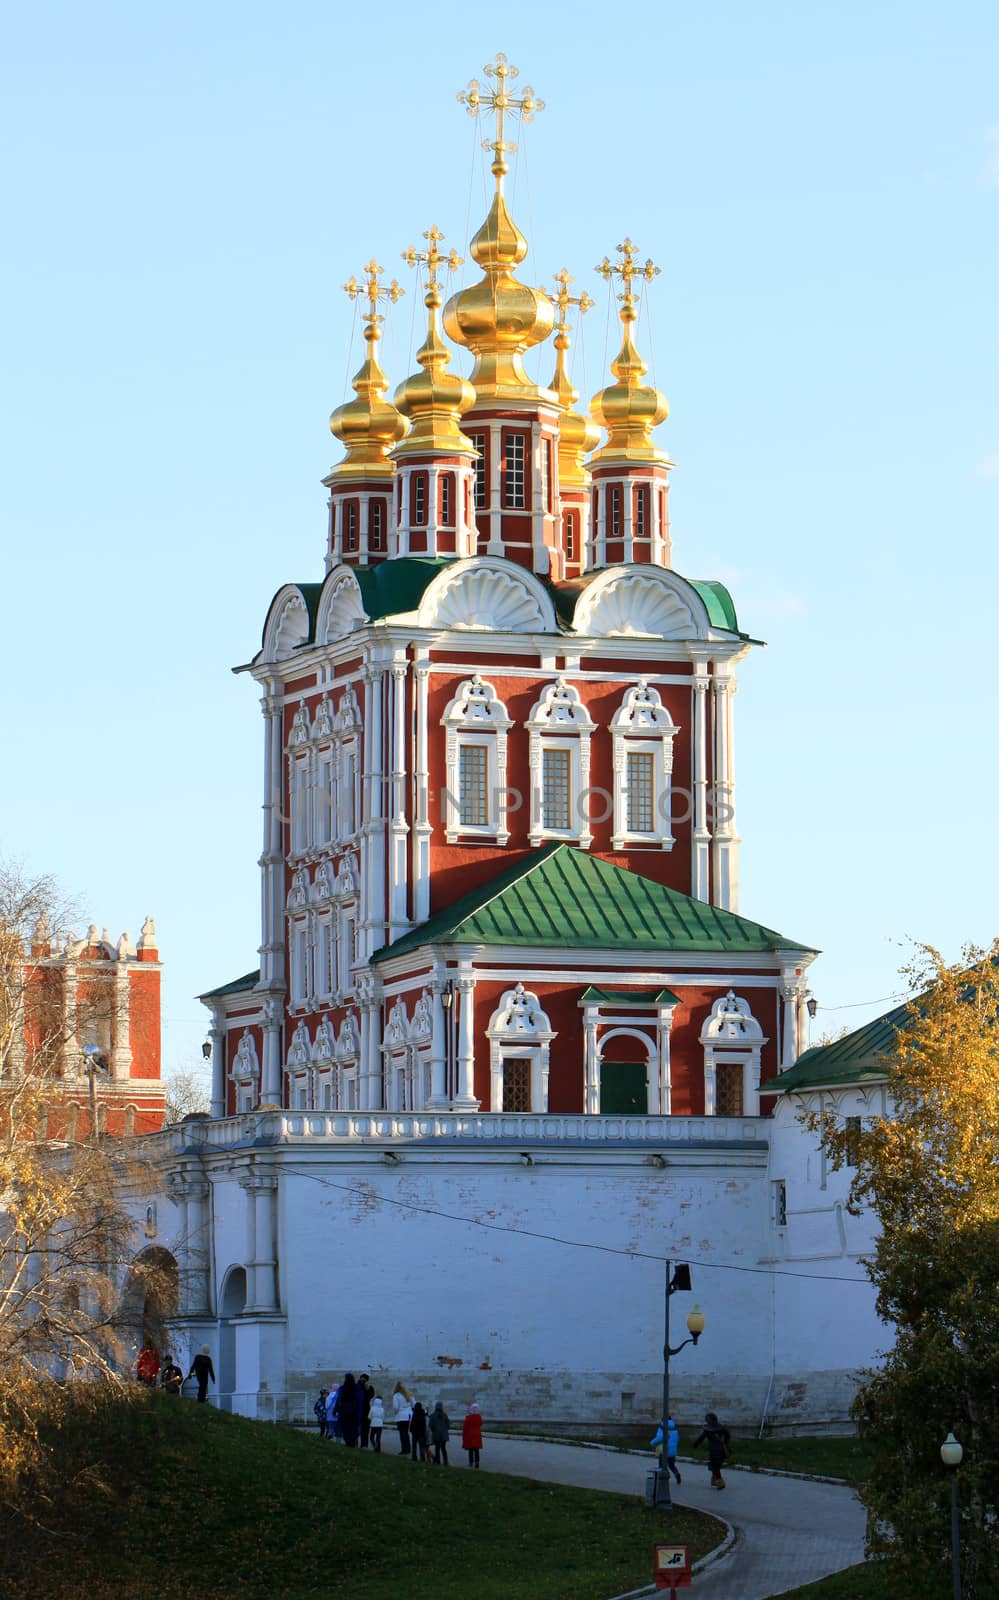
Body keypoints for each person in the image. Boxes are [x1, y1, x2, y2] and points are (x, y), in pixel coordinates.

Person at [693, 1411, 731, 1489]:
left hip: (713, 1450)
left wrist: (695, 1445)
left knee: (715, 1466)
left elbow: (701, 1438)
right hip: (721, 1449)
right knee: (715, 1465)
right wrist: (725, 1442)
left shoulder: (708, 1430)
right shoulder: (721, 1428)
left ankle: (720, 1482)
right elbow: (727, 1435)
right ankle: (714, 1480)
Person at [650, 1413, 682, 1485]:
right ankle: (676, 1474)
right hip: (672, 1451)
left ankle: (663, 1479)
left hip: (664, 1451)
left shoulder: (662, 1427)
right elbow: (678, 1439)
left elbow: (660, 1438)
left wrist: (652, 1443)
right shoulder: (674, 1429)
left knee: (661, 1466)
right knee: (671, 1465)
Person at [334, 1372, 361, 1447]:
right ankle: (352, 1443)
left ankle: (348, 1443)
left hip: (344, 1412)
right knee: (353, 1429)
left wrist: (336, 1410)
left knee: (346, 1429)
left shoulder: (342, 1388)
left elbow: (338, 1401)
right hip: (353, 1412)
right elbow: (359, 1400)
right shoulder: (356, 1388)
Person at [393, 1381, 412, 1455]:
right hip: (408, 1416)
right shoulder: (408, 1394)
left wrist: (396, 1413)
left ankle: (404, 1450)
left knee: (402, 1434)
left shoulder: (396, 1396)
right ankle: (408, 1449)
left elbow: (395, 1407)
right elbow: (413, 1403)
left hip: (400, 1416)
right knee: (406, 1433)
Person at [462, 1402, 483, 1468]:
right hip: (477, 1435)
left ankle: (471, 1462)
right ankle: (477, 1463)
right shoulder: (479, 1417)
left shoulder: (469, 1418)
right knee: (476, 1450)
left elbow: (465, 1426)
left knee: (470, 1450)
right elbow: (480, 1423)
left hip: (470, 1436)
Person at [429, 1401, 450, 1465]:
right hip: (444, 1434)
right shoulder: (445, 1415)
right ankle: (445, 1461)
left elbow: (430, 1425)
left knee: (437, 1448)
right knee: (443, 1448)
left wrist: (434, 1430)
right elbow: (448, 1425)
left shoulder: (432, 1415)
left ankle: (438, 1461)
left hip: (436, 1434)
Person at [358, 1373, 374, 1448]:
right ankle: (358, 1443)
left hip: (366, 1410)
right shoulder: (357, 1386)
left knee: (366, 1428)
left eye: (364, 1380)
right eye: (362, 1379)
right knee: (359, 1428)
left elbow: (371, 1396)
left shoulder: (369, 1387)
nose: (363, 1381)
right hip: (358, 1410)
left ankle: (364, 1443)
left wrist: (367, 1389)